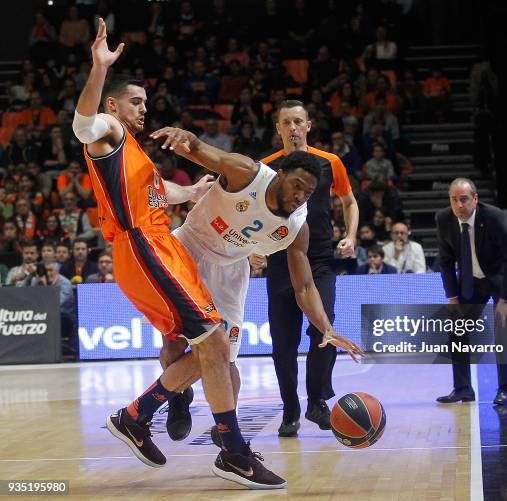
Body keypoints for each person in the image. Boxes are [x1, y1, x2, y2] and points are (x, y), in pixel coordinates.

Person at [72, 19, 285, 489]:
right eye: (135, 101)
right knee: (213, 346)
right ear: (113, 104)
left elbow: (159, 193)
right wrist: (99, 68)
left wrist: (194, 191)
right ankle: (231, 452)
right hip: (145, 247)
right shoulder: (108, 131)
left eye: (147, 103)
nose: (143, 109)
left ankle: (140, 416)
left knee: (213, 347)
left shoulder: (137, 157)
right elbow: (83, 123)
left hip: (160, 246)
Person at [147, 131, 362, 444]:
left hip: (231, 269)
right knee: (174, 346)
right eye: (297, 186)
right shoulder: (247, 173)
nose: (300, 196)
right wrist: (183, 138)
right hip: (189, 250)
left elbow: (303, 287)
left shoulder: (296, 226)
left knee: (226, 358)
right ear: (281, 174)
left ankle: (228, 434)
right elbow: (199, 150)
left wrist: (326, 328)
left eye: (308, 193)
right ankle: (178, 395)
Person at [260, 100, 359, 437]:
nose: (292, 127)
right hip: (279, 260)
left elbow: (348, 201)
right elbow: (253, 216)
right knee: (282, 344)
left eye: (298, 121)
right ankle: (291, 410)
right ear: (278, 128)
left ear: (308, 125)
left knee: (323, 328)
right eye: (285, 122)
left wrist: (350, 235)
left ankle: (318, 398)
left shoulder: (330, 162)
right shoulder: (266, 167)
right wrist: (251, 251)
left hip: (319, 259)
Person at [435, 178, 507, 406]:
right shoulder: (443, 219)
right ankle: (462, 389)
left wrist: (505, 299)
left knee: (503, 327)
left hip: (503, 276)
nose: (459, 205)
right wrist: (453, 297)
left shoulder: (495, 216)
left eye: (464, 199)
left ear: (475, 199)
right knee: (457, 328)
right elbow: (446, 262)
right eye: (454, 200)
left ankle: (504, 389)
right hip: (472, 279)